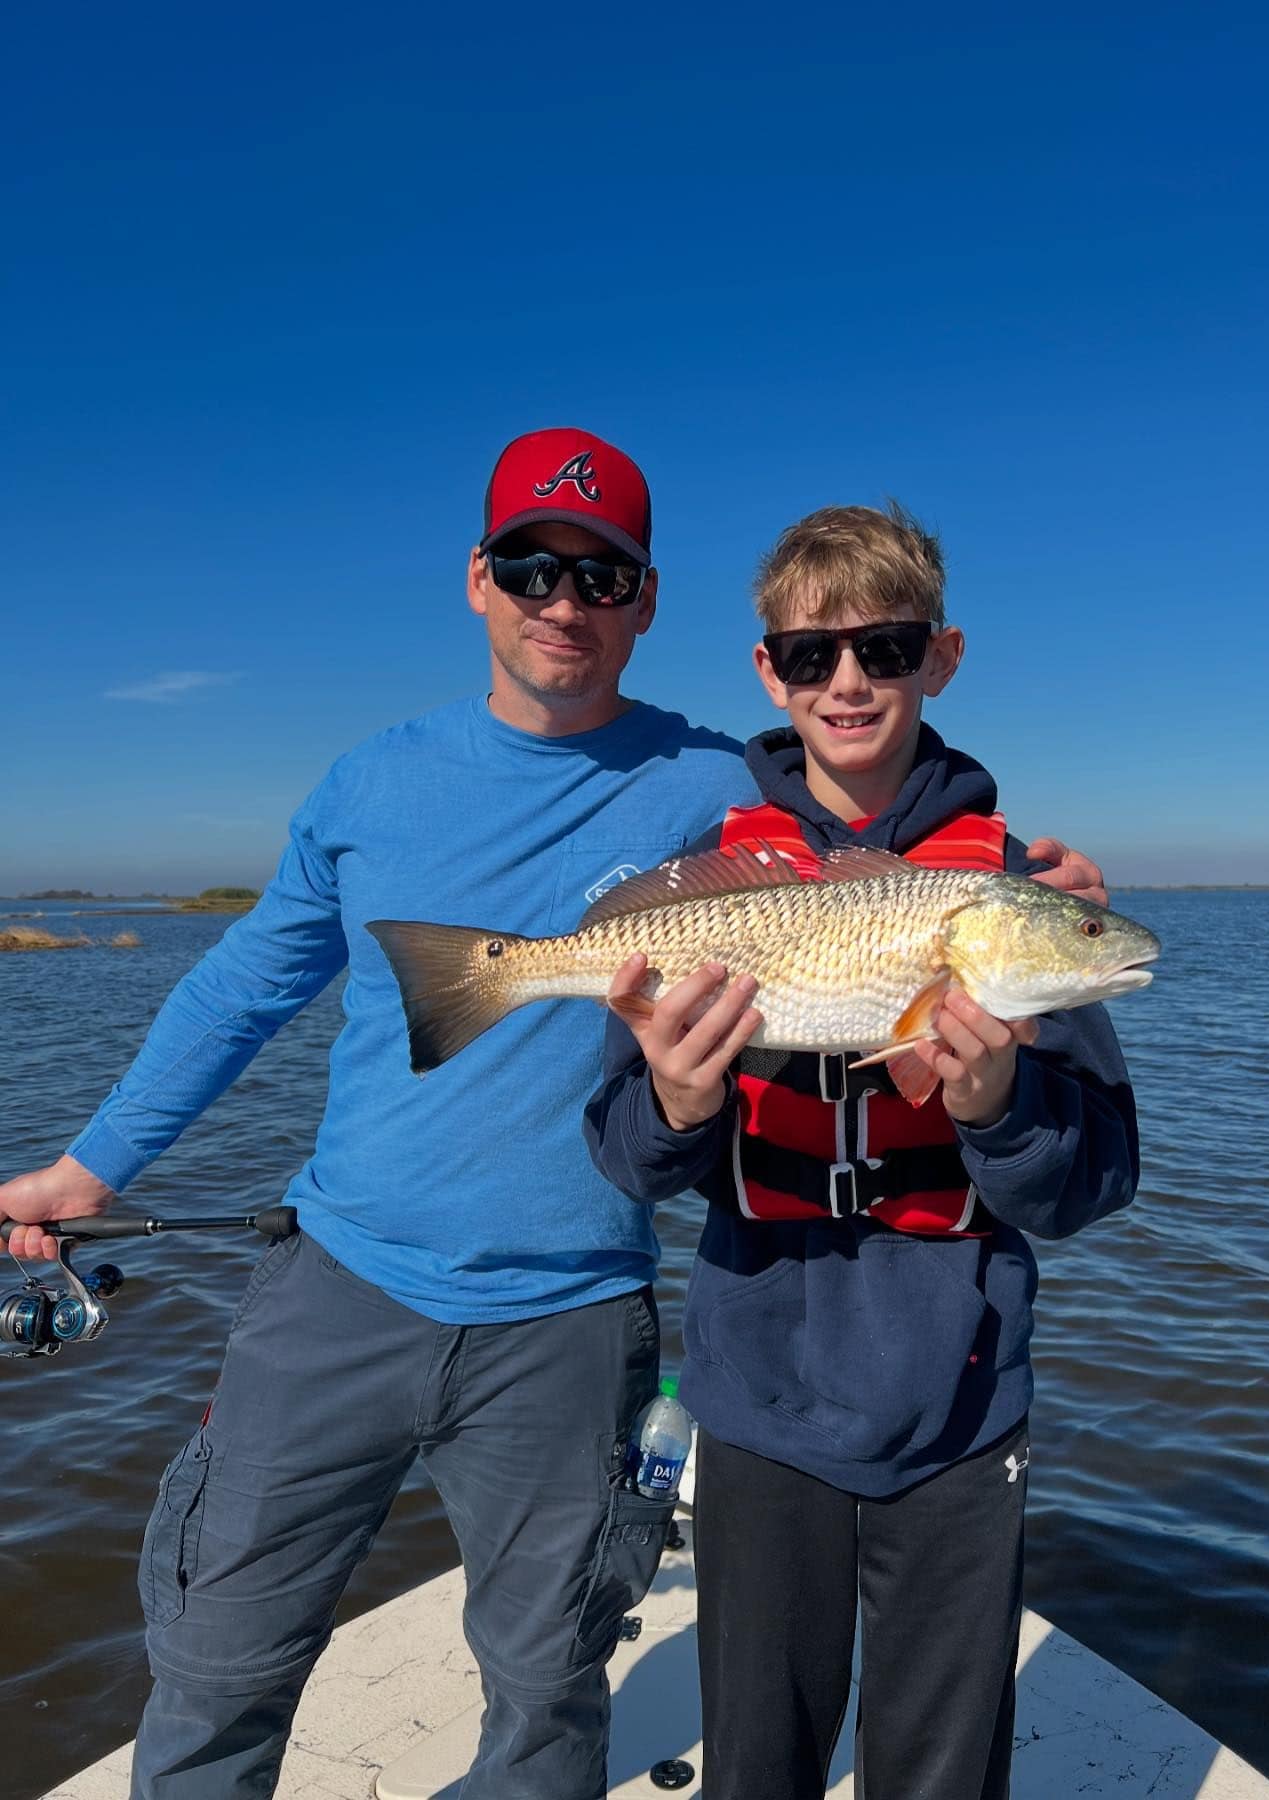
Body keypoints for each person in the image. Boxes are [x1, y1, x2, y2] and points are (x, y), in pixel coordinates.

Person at [0, 433, 1103, 1800]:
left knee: (545, 1695)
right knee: (219, 1667)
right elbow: (240, 991)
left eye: (603, 572)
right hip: (341, 1284)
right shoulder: (367, 784)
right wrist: (85, 1166)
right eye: (529, 563)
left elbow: (867, 833)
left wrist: (1025, 890)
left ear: (646, 603)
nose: (562, 598)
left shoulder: (720, 789)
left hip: (578, 1319)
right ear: (478, 580)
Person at [586, 501, 1140, 1800]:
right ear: (768, 671)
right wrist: (674, 1101)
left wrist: (998, 1104)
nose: (847, 683)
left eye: (884, 651)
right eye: (811, 656)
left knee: (939, 1779)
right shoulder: (710, 879)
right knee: (757, 1767)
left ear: (940, 658)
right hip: (758, 1388)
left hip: (956, 1405)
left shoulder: (1017, 892)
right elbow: (625, 1156)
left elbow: (1097, 1179)